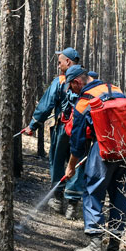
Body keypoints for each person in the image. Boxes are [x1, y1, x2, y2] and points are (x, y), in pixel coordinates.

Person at [65, 65, 126, 251]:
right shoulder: (116, 89)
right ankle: (113, 249)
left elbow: (77, 143)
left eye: (71, 87)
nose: (71, 91)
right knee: (120, 197)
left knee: (93, 192)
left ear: (77, 82)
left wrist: (71, 166)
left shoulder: (84, 101)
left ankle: (95, 247)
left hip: (103, 149)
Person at [21, 47, 83, 219]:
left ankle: (57, 200)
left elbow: (45, 105)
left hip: (63, 129)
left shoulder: (60, 81)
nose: (58, 65)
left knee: (56, 161)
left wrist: (32, 125)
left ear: (68, 62)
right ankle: (72, 205)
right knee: (76, 163)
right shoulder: (86, 79)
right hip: (82, 131)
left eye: (60, 62)